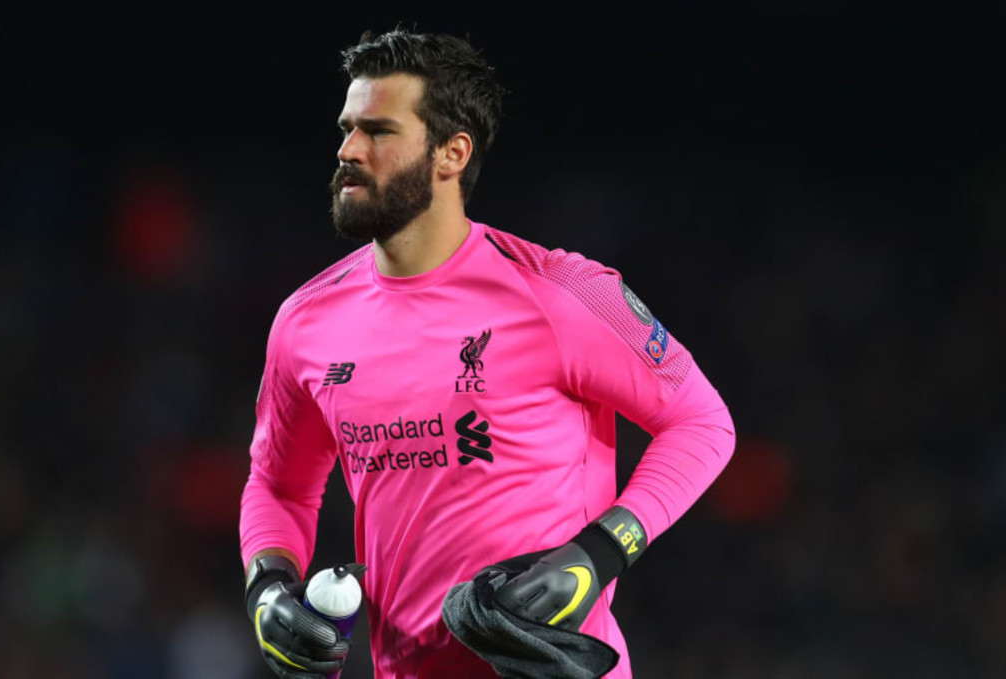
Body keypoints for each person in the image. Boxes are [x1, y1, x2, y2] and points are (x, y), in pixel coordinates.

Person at [239, 28, 736, 679]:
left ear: (452, 153)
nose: (348, 150)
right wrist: (267, 587)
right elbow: (279, 484)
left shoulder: (564, 291)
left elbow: (702, 422)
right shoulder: (305, 321)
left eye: (378, 131)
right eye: (347, 128)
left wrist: (598, 553)